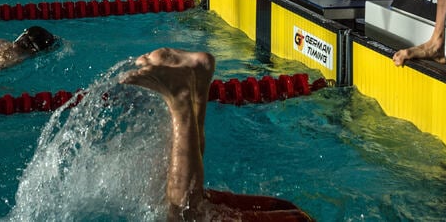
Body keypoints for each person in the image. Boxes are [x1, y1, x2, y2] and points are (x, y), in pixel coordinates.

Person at [122, 48, 312, 221]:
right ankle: (181, 98)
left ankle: (198, 84)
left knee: (172, 203)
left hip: (294, 213)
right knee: (184, 214)